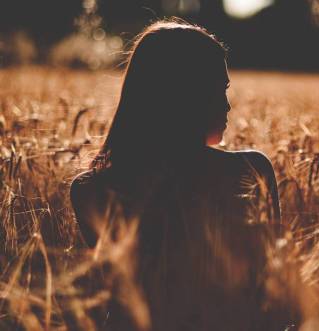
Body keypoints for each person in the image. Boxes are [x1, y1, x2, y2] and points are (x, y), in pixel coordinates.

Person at [70, 18, 293, 331]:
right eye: (217, 88)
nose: (228, 106)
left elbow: (122, 299)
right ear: (184, 95)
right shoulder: (251, 171)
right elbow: (273, 294)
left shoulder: (90, 189)